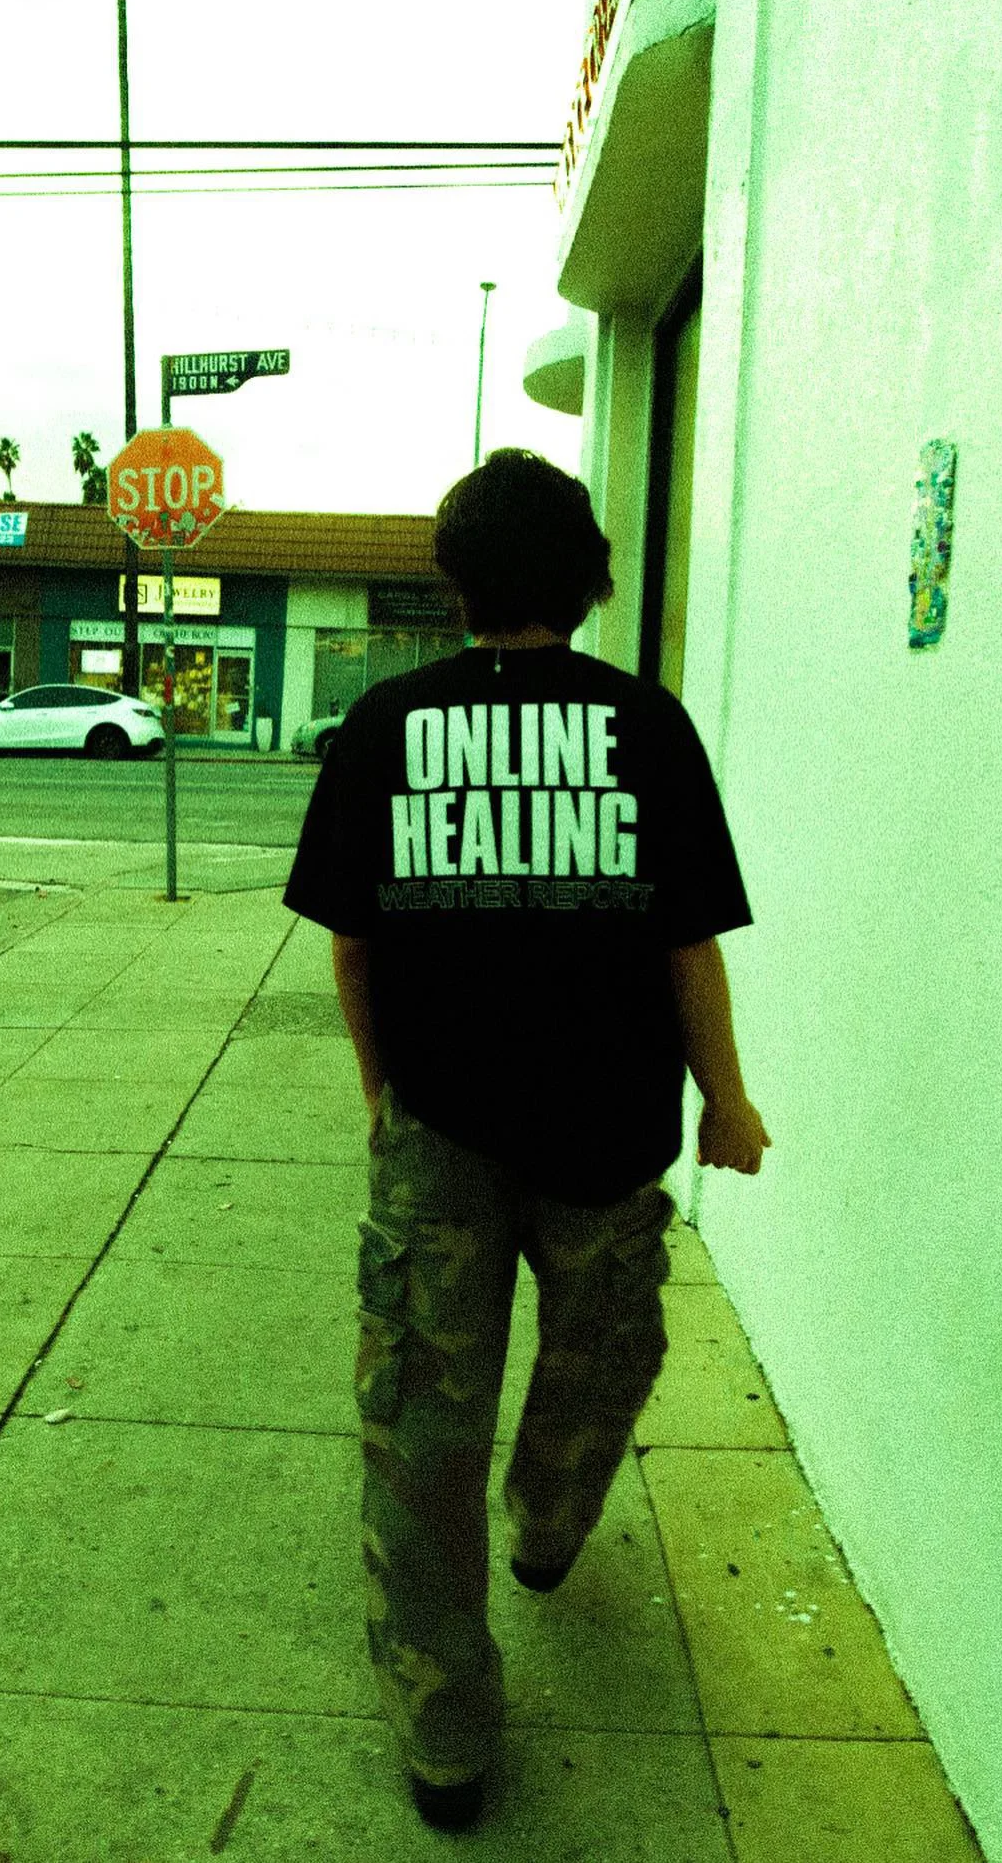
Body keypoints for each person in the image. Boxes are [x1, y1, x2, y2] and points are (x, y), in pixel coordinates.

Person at [282, 448, 772, 1833]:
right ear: (589, 577)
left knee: (422, 1432)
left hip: (449, 1131)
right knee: (595, 1363)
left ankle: (453, 1708)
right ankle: (535, 1547)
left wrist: (381, 1094)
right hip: (598, 1132)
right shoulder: (647, 727)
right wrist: (725, 1098)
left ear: (456, 583)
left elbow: (353, 952)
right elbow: (688, 947)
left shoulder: (388, 724)